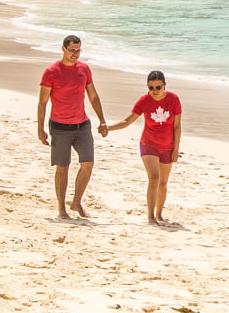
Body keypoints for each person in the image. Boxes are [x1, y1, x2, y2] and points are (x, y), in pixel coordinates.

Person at [37, 35, 107, 219]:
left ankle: (76, 202)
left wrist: (102, 120)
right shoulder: (51, 72)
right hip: (59, 127)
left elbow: (93, 96)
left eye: (78, 50)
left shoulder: (84, 69)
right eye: (72, 50)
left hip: (82, 125)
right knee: (62, 167)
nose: (75, 54)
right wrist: (40, 128)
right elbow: (43, 102)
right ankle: (61, 208)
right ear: (63, 49)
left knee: (88, 164)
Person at [103, 70, 182, 225]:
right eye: (151, 88)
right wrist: (108, 128)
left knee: (163, 183)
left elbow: (177, 126)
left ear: (165, 85)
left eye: (158, 87)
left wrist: (176, 148)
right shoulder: (144, 101)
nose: (154, 91)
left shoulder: (174, 100)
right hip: (149, 144)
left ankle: (159, 215)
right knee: (154, 178)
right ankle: (150, 216)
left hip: (168, 146)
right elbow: (127, 121)